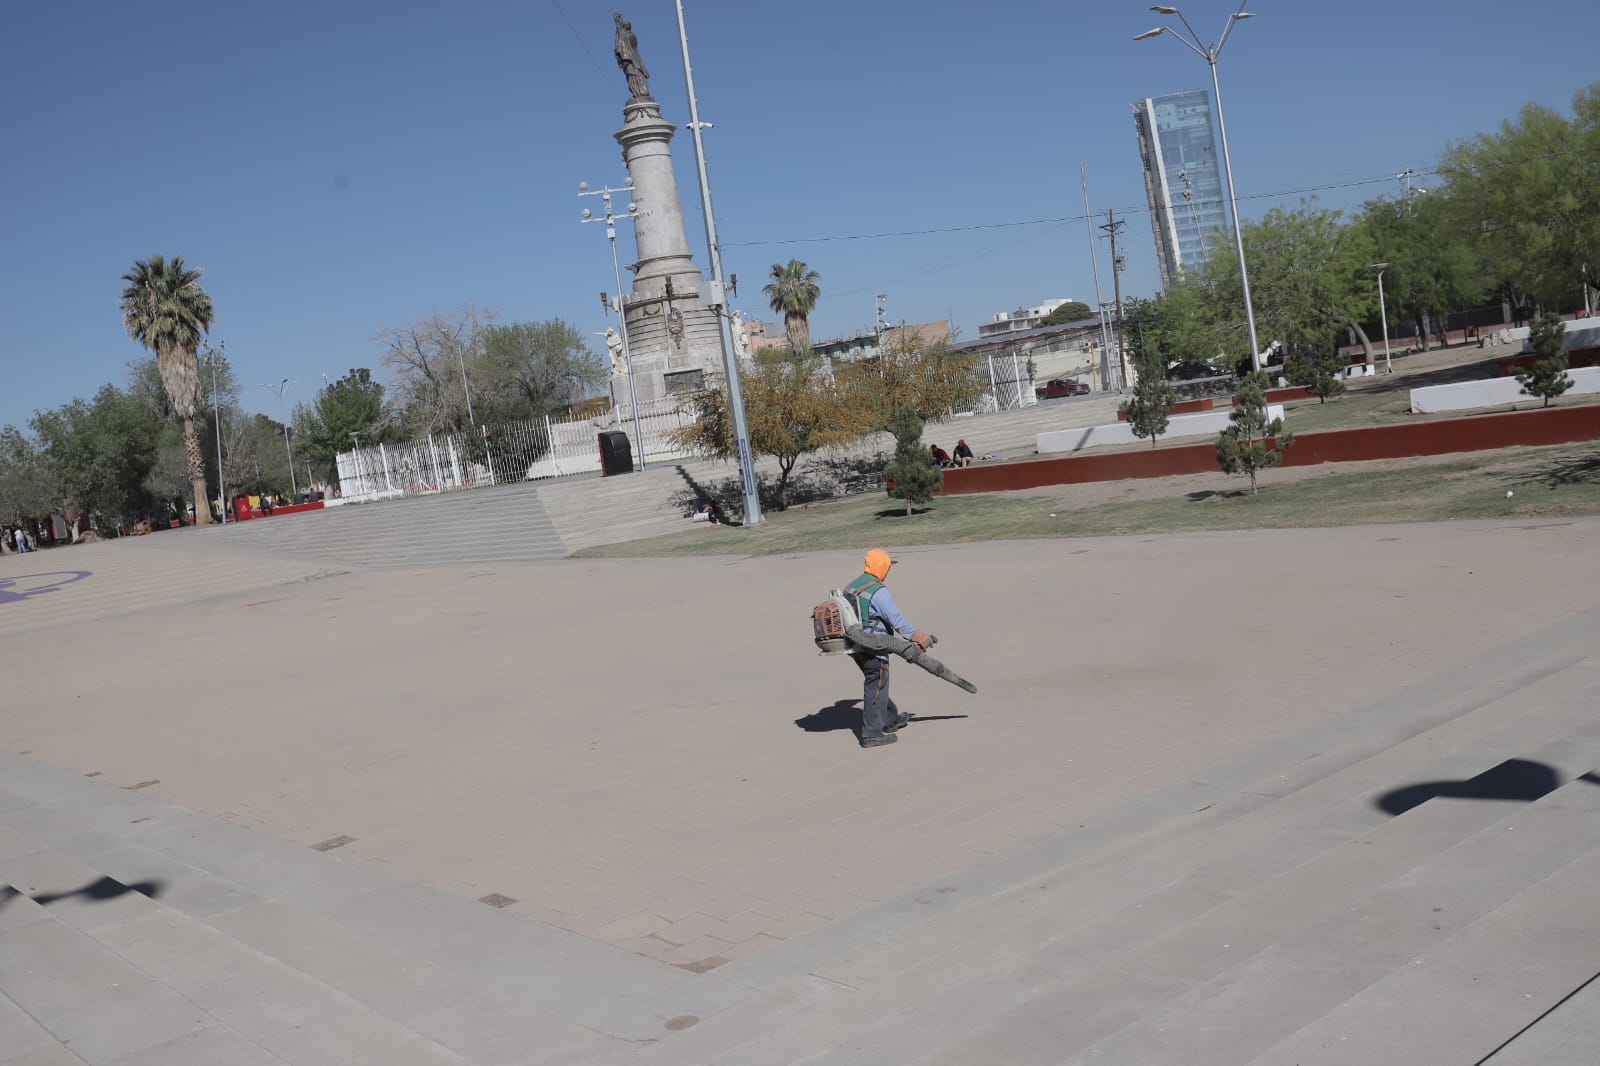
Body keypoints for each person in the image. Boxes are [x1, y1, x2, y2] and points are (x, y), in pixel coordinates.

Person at [845, 548, 934, 749]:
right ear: (882, 567)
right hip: (873, 645)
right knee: (876, 681)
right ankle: (872, 733)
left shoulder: (852, 585)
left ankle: (889, 717)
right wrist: (918, 637)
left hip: (855, 646)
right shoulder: (879, 591)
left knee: (878, 681)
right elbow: (897, 620)